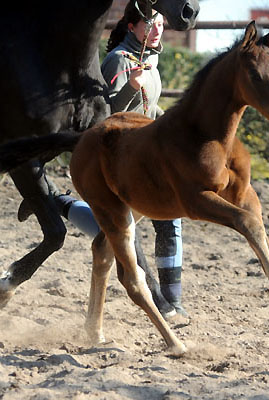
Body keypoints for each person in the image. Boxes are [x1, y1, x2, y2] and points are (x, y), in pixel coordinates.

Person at [19, 2, 187, 317]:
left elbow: (149, 109)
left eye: (162, 25)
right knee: (114, 226)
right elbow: (107, 113)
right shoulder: (117, 62)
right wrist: (131, 88)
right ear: (134, 27)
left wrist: (171, 125)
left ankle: (172, 301)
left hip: (148, 150)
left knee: (168, 221)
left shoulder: (148, 61)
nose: (158, 29)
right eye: (152, 23)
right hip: (122, 154)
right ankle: (60, 203)